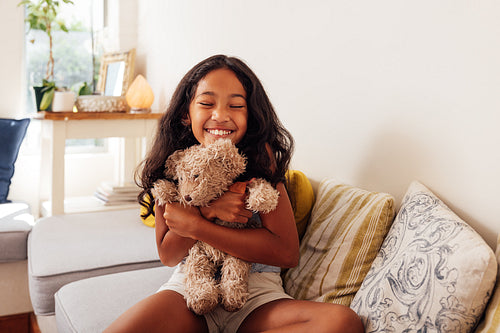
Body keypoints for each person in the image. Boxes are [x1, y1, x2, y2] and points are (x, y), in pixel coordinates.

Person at [104, 55, 364, 333]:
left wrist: (198, 225)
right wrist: (209, 209)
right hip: (189, 290)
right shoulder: (175, 170)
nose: (220, 115)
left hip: (256, 296)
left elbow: (286, 253)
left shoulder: (261, 167)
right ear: (185, 113)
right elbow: (168, 254)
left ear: (250, 116)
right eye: (206, 103)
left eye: (236, 105)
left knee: (342, 322)